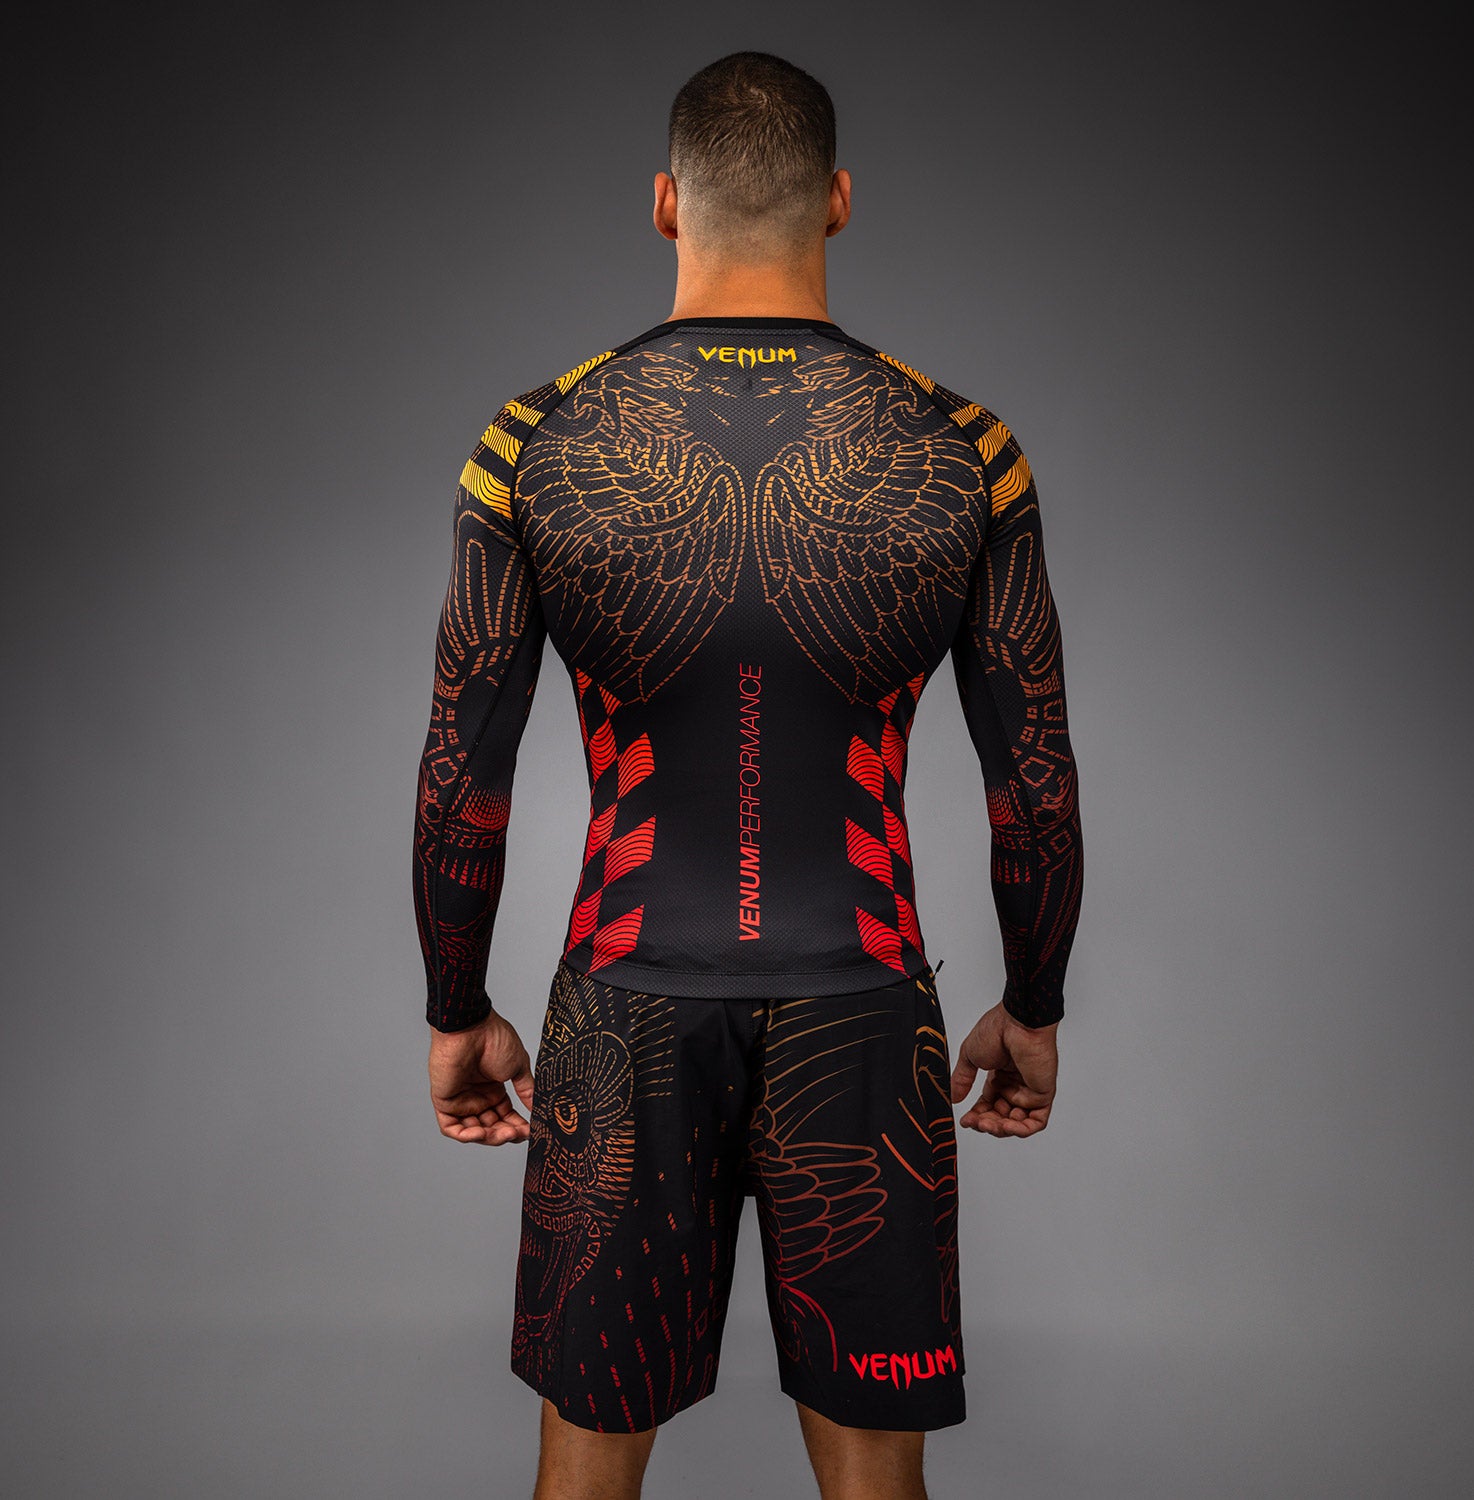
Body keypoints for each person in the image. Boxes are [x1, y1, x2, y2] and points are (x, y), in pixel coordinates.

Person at [412, 50, 1083, 1500]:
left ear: (666, 204)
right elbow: (1032, 781)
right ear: (837, 201)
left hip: (624, 1004)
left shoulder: (533, 443)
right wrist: (1032, 1004)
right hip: (865, 1002)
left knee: (582, 1487)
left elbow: (463, 772)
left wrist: (455, 1007)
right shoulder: (965, 450)